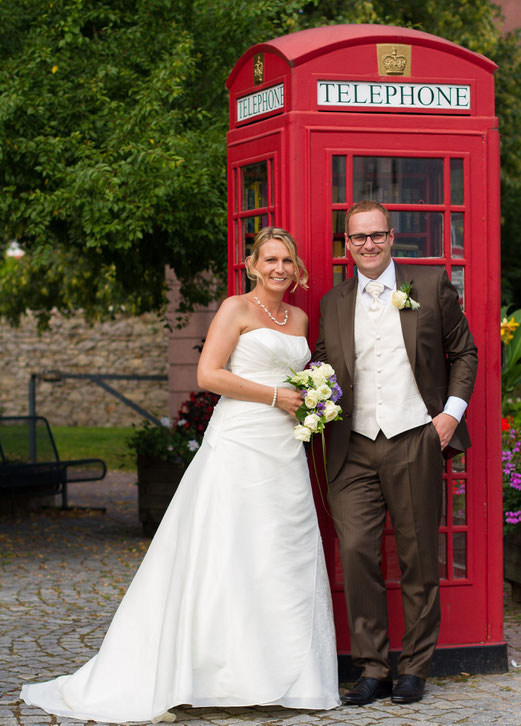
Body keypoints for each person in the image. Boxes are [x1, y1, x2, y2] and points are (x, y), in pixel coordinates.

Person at [20, 227, 340, 724]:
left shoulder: (298, 316)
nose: (279, 268)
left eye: (287, 261)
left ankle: (281, 673)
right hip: (240, 441)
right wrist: (278, 397)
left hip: (285, 448)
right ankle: (210, 673)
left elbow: (298, 376)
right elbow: (208, 376)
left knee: (281, 551)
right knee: (227, 550)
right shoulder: (235, 307)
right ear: (252, 265)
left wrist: (311, 400)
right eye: (270, 259)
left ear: (296, 268)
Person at [313, 201, 478, 706]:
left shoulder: (429, 287)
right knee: (358, 553)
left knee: (418, 557)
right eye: (358, 237)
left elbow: (465, 351)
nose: (368, 244)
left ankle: (414, 667)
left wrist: (448, 416)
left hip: (414, 438)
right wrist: (314, 385)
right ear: (347, 244)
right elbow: (325, 356)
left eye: (376, 235)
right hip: (353, 444)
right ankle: (371, 667)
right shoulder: (333, 301)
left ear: (391, 238)